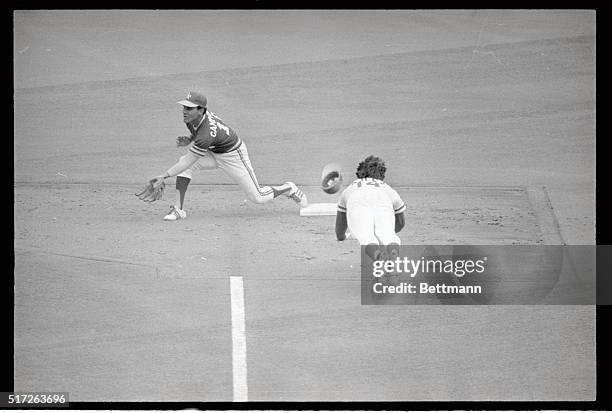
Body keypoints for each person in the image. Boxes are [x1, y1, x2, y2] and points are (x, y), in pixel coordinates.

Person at [149, 91, 308, 220]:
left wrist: (163, 176)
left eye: (189, 108)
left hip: (234, 156)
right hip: (214, 151)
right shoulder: (191, 119)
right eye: (184, 106)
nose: (184, 111)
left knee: (257, 197)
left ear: (201, 110)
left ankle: (288, 188)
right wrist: (191, 139)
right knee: (184, 164)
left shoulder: (205, 133)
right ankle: (178, 209)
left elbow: (196, 150)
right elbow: (198, 141)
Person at [335, 155, 405, 262]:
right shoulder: (386, 188)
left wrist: (341, 236)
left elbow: (340, 224)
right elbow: (400, 223)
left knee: (366, 238)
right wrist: (388, 231)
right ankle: (393, 254)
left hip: (357, 202)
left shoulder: (350, 189)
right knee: (390, 237)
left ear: (359, 172)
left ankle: (378, 256)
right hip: (382, 201)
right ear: (382, 174)